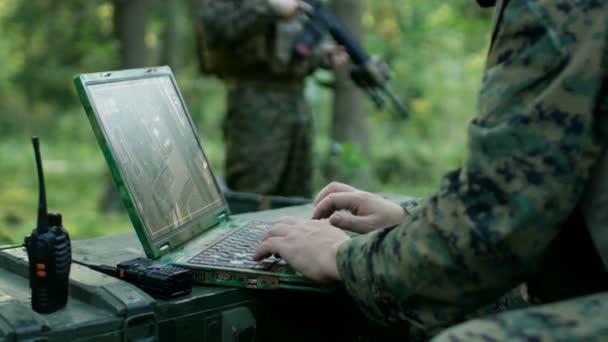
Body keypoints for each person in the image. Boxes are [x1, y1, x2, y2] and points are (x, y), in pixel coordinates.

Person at [254, 0, 608, 339]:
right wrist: (407, 221)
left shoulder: (554, 8)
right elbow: (523, 197)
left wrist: (343, 259)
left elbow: (491, 232)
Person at [198, 0, 345, 198]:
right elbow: (214, 28)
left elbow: (293, 42)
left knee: (297, 198)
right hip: (254, 101)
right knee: (250, 195)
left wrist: (321, 56)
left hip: (298, 101)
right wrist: (269, 8)